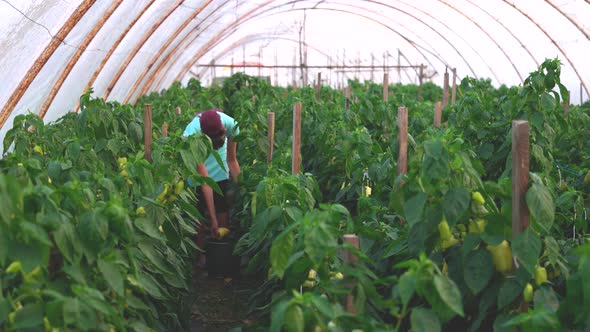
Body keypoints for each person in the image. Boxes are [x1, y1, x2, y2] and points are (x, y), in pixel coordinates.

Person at [183, 109, 240, 267]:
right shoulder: (191, 135)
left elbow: (232, 160)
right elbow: (204, 179)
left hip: (219, 166)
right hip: (198, 173)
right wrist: (212, 218)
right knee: (199, 213)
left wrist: (243, 188)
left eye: (222, 136)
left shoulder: (232, 125)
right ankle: (200, 255)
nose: (220, 139)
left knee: (222, 206)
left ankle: (221, 252)